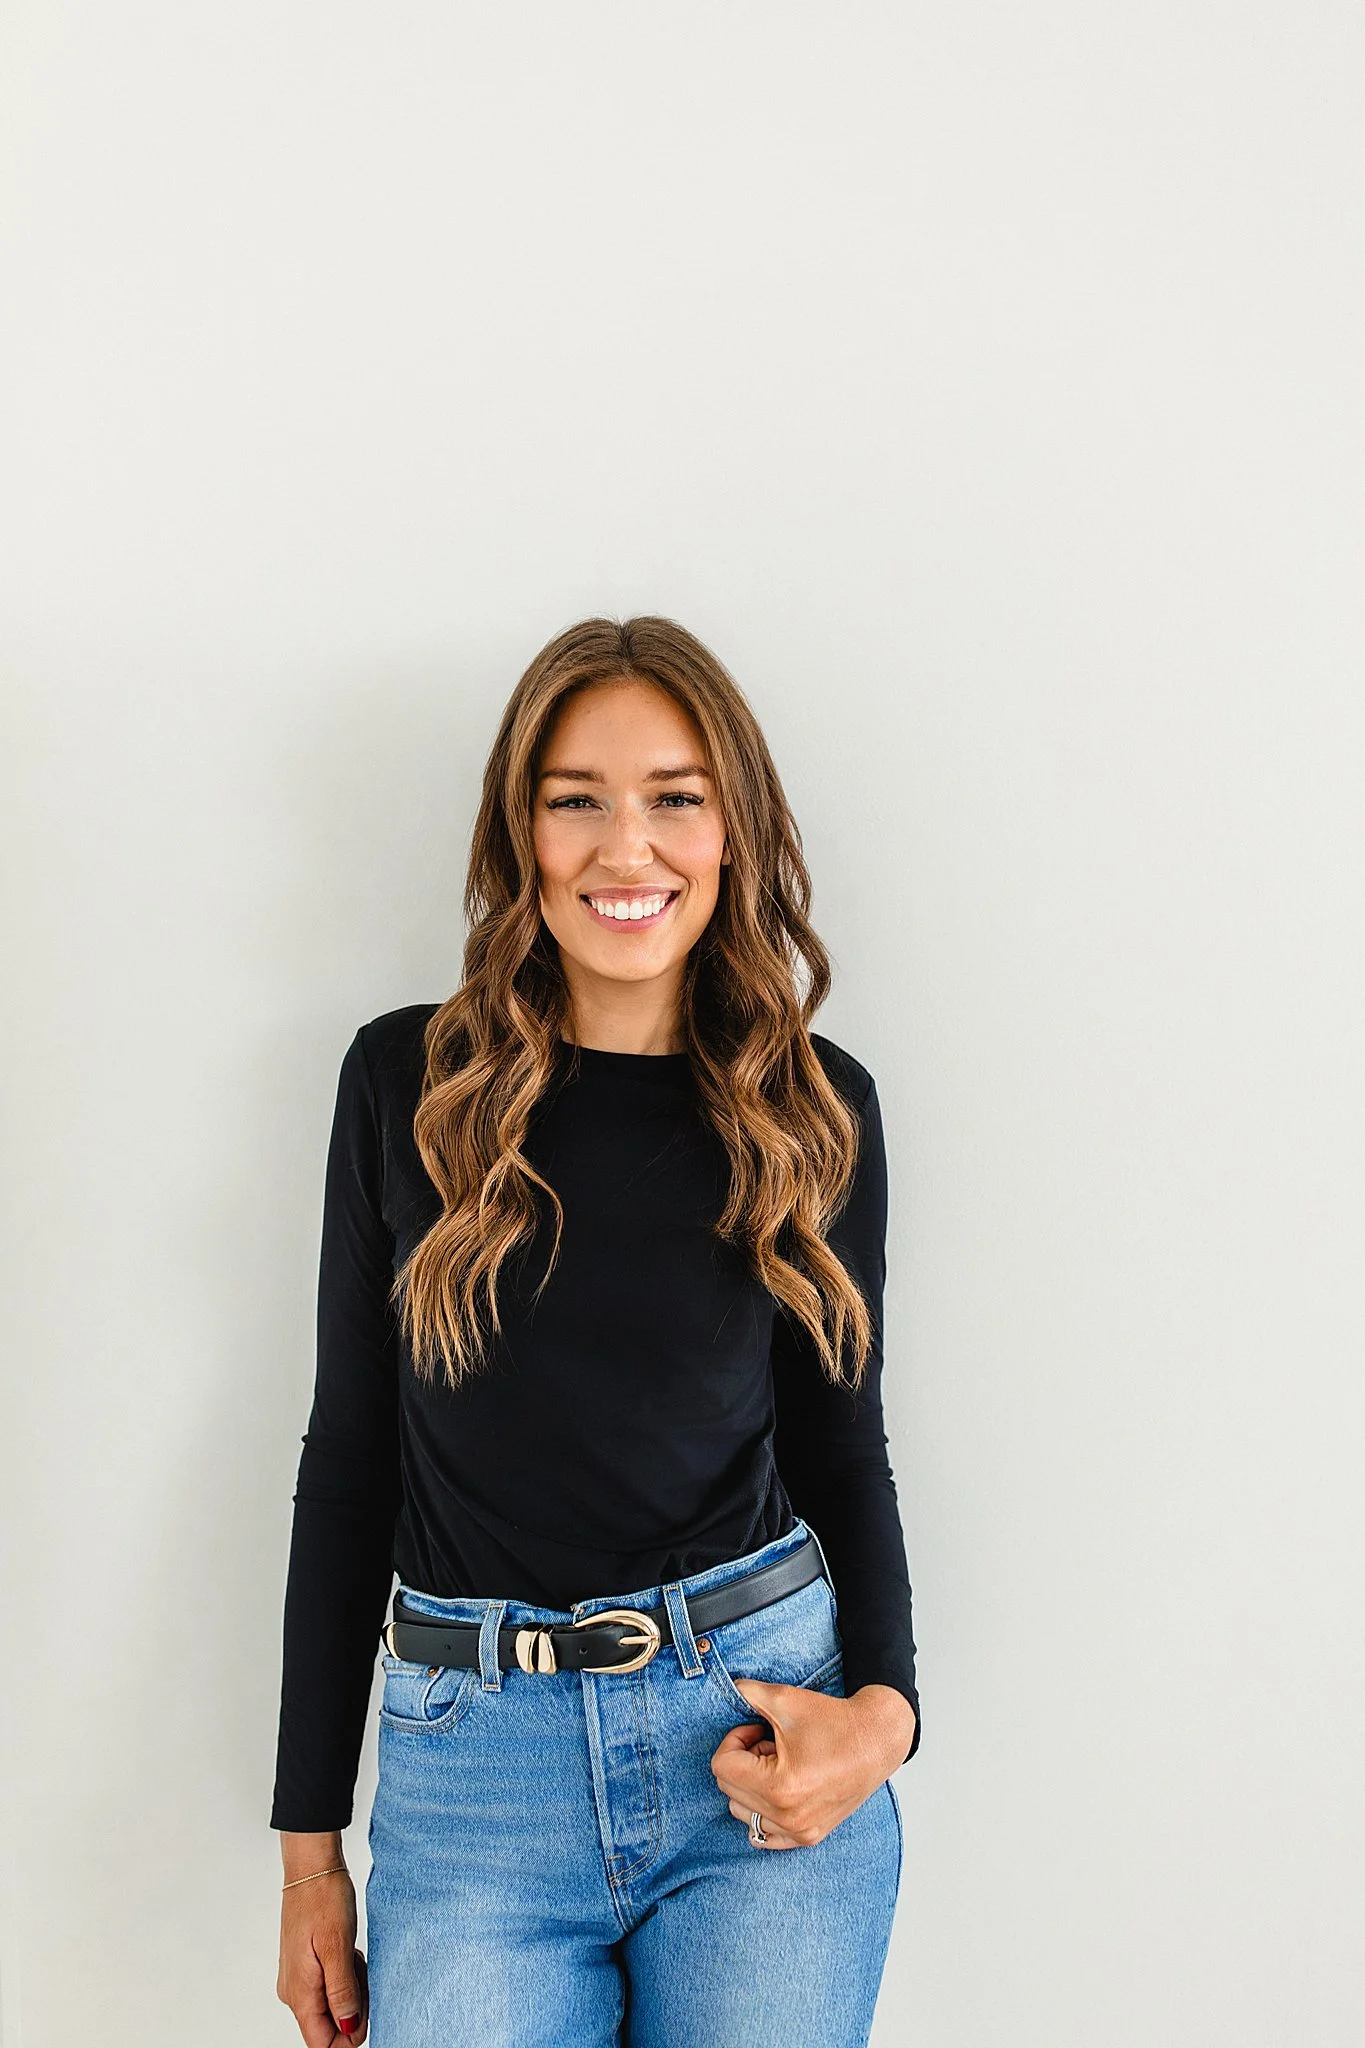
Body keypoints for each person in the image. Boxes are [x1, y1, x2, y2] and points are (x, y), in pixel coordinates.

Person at [271, 616, 922, 2048]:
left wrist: (886, 1722)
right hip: (471, 1784)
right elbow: (352, 1456)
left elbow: (842, 1445)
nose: (627, 849)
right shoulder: (409, 1085)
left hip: (755, 1748)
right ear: (524, 836)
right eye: (577, 800)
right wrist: (309, 1849)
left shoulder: (817, 1108)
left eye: (676, 797)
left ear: (735, 829)